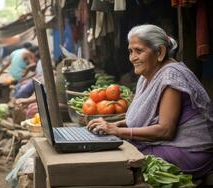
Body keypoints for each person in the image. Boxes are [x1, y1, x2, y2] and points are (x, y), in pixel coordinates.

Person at [87, 24, 213, 179]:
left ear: (160, 52)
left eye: (139, 51)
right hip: (169, 145)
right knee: (110, 150)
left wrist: (118, 131)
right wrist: (116, 125)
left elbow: (166, 130)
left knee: (115, 159)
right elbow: (147, 117)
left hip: (188, 151)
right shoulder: (146, 76)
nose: (132, 57)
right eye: (131, 51)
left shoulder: (171, 77)